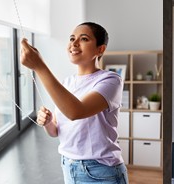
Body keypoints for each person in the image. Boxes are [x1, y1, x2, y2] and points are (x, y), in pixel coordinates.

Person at [20, 22, 127, 184]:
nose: (74, 43)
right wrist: (48, 122)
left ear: (100, 49)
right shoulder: (66, 83)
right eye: (71, 38)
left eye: (84, 39)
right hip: (69, 167)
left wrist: (39, 66)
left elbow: (76, 112)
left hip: (101, 171)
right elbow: (56, 131)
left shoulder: (111, 80)